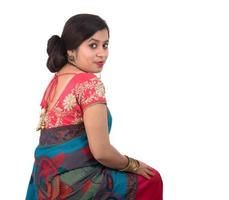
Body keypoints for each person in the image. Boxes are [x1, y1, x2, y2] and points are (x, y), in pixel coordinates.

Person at [26, 13, 163, 200]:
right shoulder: (89, 83)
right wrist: (133, 165)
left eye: (105, 45)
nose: (102, 53)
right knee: (152, 180)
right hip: (73, 184)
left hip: (44, 180)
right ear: (70, 50)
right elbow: (102, 152)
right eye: (93, 45)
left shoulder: (57, 80)